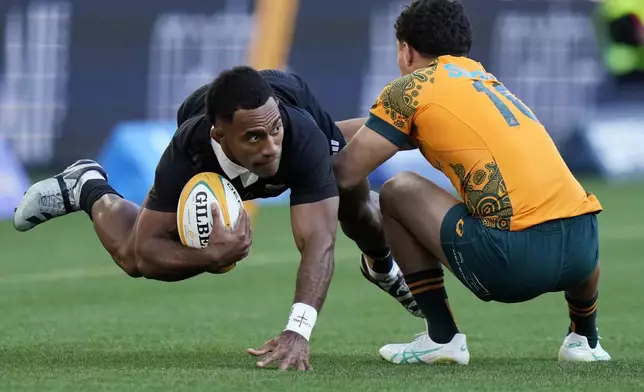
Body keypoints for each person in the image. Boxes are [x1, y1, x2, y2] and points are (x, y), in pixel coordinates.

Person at [12, 67, 422, 371]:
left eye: (273, 130)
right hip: (208, 152)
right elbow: (144, 251)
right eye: (254, 138)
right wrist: (210, 256)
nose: (270, 147)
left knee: (348, 185)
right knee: (131, 258)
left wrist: (298, 330)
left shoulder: (298, 136)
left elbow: (318, 242)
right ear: (219, 136)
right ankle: (88, 186)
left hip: (301, 112)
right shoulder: (189, 149)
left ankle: (382, 268)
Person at [333, 0, 611, 365]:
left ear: (406, 50)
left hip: (511, 265)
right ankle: (583, 339)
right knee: (564, 201)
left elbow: (344, 173)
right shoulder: (484, 81)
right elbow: (377, 131)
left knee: (398, 190)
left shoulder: (410, 89)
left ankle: (442, 337)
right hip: (583, 251)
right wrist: (321, 132)